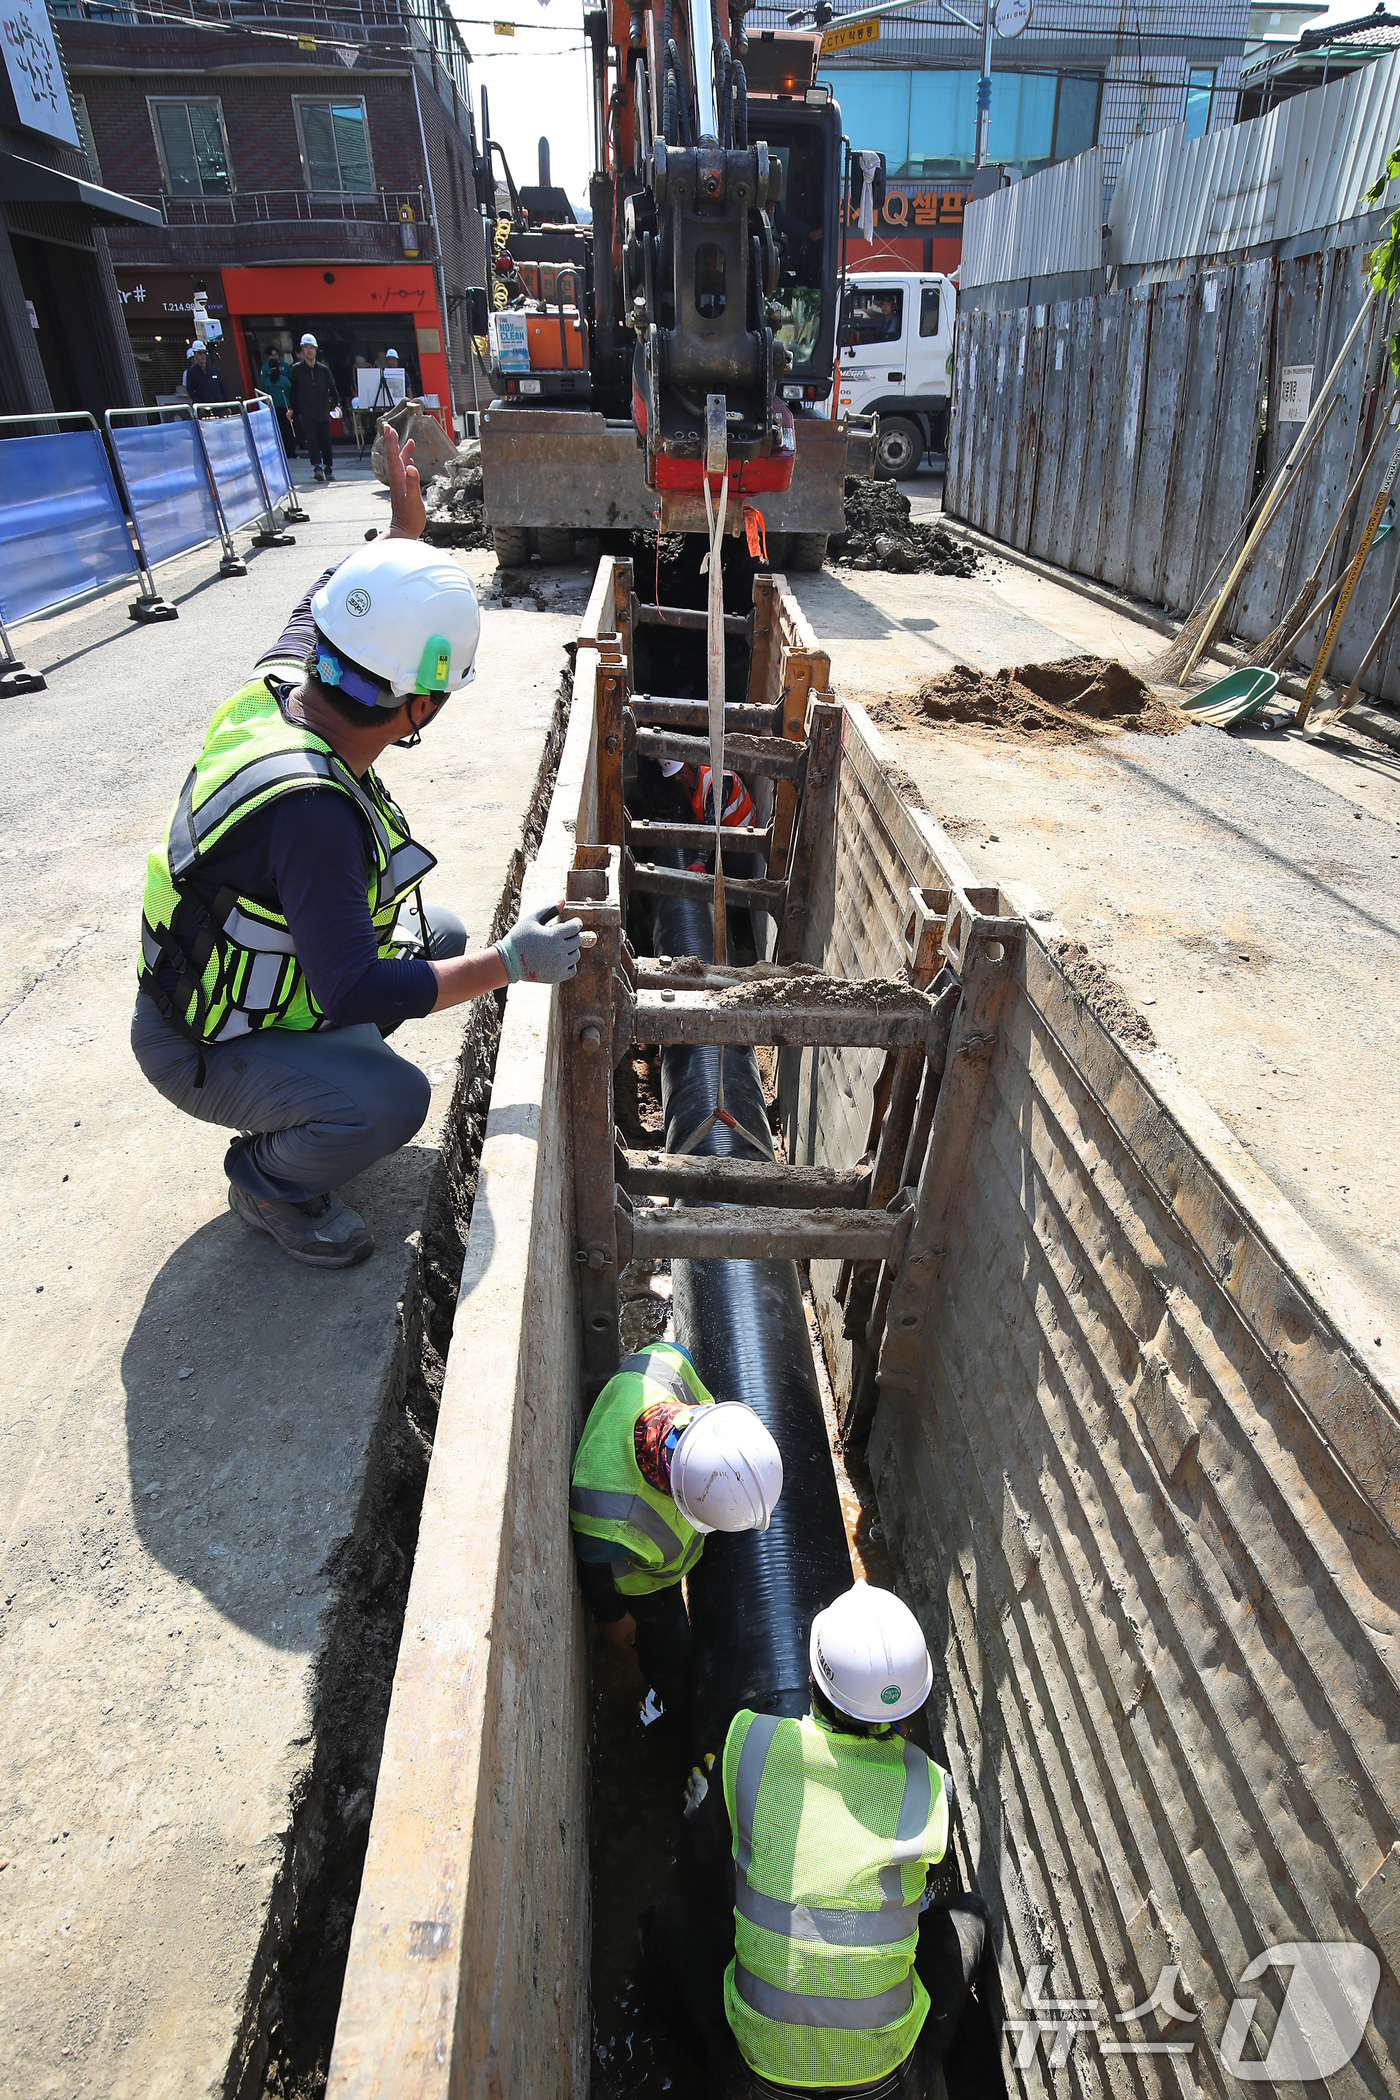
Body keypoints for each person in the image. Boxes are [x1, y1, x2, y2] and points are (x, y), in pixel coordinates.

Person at [131, 429, 582, 1269]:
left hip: (216, 979)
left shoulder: (292, 683)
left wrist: (404, 536)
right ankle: (270, 1180)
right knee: (392, 1099)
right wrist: (512, 963)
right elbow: (351, 987)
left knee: (438, 933)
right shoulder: (313, 812)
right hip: (195, 1040)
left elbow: (333, 606)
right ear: (421, 707)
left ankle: (315, 1085)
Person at [642, 1581, 993, 2097]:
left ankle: (695, 2063)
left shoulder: (753, 1742)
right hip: (884, 2081)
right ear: (906, 1707)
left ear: (812, 1676)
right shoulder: (929, 1786)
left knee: (666, 1924)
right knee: (970, 1917)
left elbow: (715, 1856)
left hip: (760, 2078)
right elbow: (917, 1892)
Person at [570, 1340, 783, 1719]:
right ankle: (679, 1711)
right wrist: (612, 1617)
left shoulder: (664, 1364)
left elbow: (678, 1351)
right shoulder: (610, 1510)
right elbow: (592, 1564)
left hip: (667, 1552)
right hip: (646, 1588)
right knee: (672, 1654)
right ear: (679, 1497)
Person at [288, 332, 341, 483]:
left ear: (316, 350)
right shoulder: (296, 369)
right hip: (307, 411)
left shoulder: (324, 370)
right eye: (306, 348)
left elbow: (333, 388)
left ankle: (328, 468)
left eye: (311, 348)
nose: (309, 350)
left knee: (325, 440)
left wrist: (337, 405)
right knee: (312, 440)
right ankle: (317, 467)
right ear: (302, 350)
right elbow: (293, 390)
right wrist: (291, 408)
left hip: (323, 410)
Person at [259, 346, 297, 459]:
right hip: (285, 407)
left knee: (279, 431)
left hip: (274, 408)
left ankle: (283, 451)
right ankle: (291, 452)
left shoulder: (267, 381)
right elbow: (290, 390)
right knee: (288, 430)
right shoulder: (284, 380)